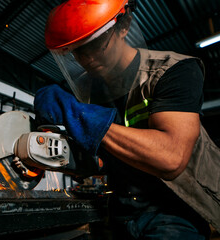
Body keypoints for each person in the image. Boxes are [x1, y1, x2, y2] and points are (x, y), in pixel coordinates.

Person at [34, 0, 220, 239]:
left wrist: (85, 119)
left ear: (124, 26)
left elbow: (171, 158)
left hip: (178, 208)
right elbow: (103, 161)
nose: (85, 58)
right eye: (76, 51)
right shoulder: (88, 93)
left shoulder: (173, 71)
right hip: (123, 209)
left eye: (95, 44)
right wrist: (54, 154)